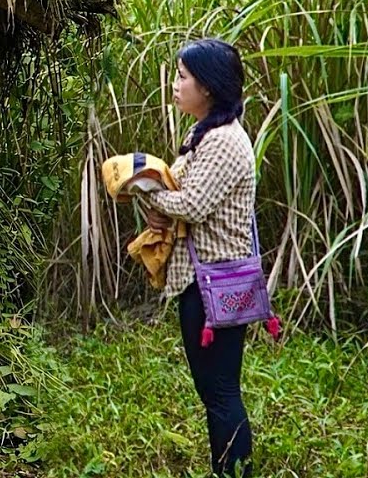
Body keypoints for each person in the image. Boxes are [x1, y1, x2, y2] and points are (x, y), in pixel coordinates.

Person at [138, 38, 256, 478]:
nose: (175, 85)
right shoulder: (203, 133)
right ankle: (224, 469)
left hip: (217, 281)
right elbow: (181, 196)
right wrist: (161, 204)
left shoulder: (224, 141)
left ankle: (233, 472)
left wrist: (145, 189)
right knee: (212, 389)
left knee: (221, 390)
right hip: (200, 280)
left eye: (182, 77)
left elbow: (192, 204)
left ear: (206, 87)